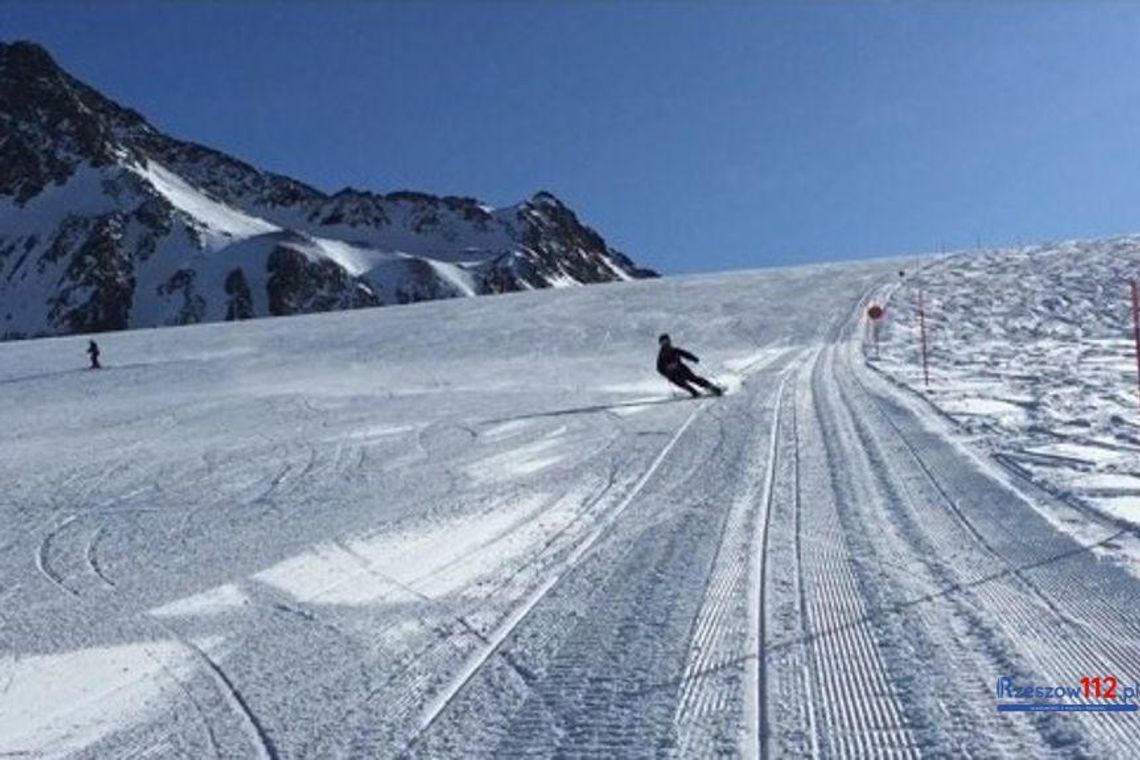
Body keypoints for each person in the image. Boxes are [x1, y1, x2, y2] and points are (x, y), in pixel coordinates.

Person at [656, 334, 722, 398]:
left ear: (669, 341)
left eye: (666, 341)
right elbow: (659, 368)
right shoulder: (661, 355)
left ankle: (711, 387)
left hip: (681, 369)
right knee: (682, 383)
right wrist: (666, 372)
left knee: (693, 378)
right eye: (663, 342)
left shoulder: (674, 350)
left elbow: (685, 354)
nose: (665, 343)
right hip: (672, 373)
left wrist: (694, 358)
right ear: (660, 344)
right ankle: (694, 392)